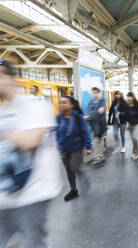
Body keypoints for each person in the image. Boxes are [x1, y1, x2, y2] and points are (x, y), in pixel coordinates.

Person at [0, 60, 62, 247]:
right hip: (5, 195)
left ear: (10, 78)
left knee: (35, 242)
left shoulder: (36, 104)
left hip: (32, 193)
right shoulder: (2, 110)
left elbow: (31, 140)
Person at [56, 96, 92, 201]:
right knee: (69, 171)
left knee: (75, 167)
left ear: (71, 105)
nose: (62, 104)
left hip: (76, 148)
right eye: (60, 103)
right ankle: (73, 190)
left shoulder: (77, 117)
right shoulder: (58, 118)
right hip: (64, 149)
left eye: (64, 102)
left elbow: (85, 132)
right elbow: (56, 132)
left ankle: (84, 180)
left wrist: (88, 146)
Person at [84, 87, 107, 164]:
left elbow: (100, 111)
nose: (95, 94)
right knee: (97, 140)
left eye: (96, 92)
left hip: (100, 125)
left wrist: (89, 116)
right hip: (93, 125)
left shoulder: (102, 101)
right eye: (93, 92)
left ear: (99, 93)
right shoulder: (90, 102)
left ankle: (97, 156)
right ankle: (100, 155)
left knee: (96, 141)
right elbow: (89, 113)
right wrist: (90, 115)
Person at [126, 92, 138, 160]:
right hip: (130, 124)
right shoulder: (126, 105)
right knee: (133, 140)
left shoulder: (136, 104)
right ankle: (135, 152)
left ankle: (136, 153)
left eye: (130, 96)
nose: (129, 98)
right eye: (128, 96)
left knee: (134, 137)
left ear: (133, 97)